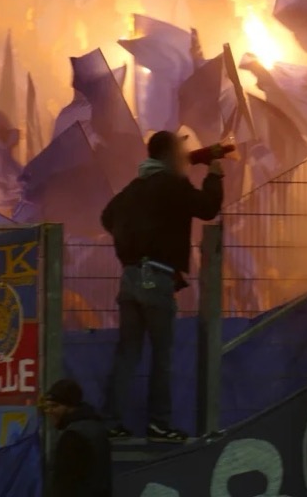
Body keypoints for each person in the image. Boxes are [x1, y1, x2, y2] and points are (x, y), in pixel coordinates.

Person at [100, 130, 223, 442]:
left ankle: (111, 423)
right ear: (169, 154)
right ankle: (159, 424)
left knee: (127, 354)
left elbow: (107, 216)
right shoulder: (173, 185)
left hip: (129, 277)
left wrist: (130, 239)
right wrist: (214, 172)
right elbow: (208, 208)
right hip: (157, 277)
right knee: (161, 355)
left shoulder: (132, 189)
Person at [43, 378, 112, 497]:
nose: (50, 411)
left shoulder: (72, 436)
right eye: (47, 407)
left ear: (71, 406)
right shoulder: (95, 427)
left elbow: (64, 484)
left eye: (54, 406)